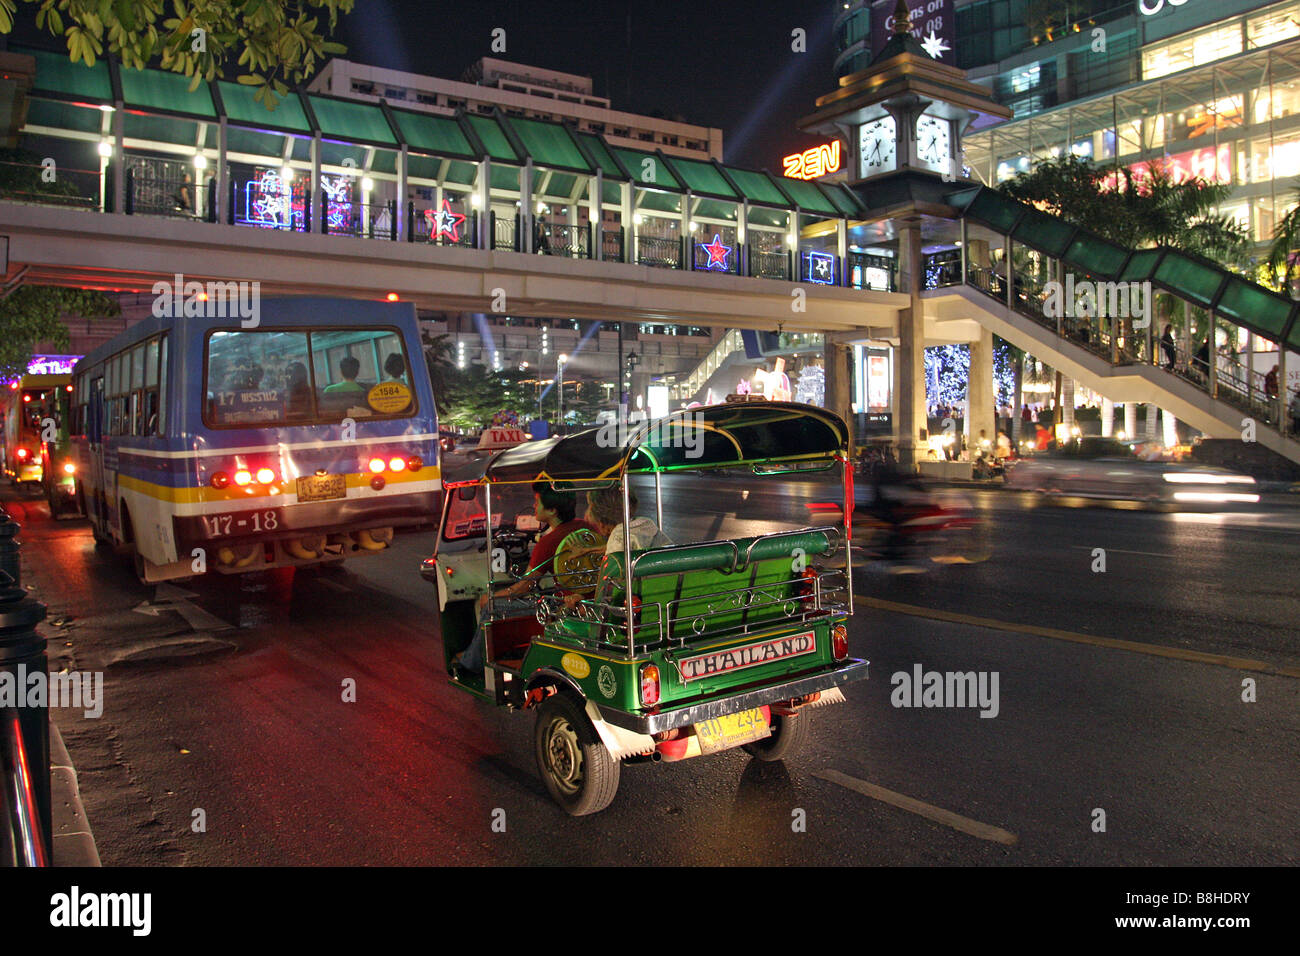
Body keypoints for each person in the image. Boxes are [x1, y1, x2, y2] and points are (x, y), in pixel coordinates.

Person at [451, 482, 599, 678]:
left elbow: (524, 587)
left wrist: (493, 596)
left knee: (492, 605)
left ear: (553, 510)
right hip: (591, 599)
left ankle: (472, 663)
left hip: (563, 607)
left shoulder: (548, 543)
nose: (534, 506)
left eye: (537, 502)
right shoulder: (587, 526)